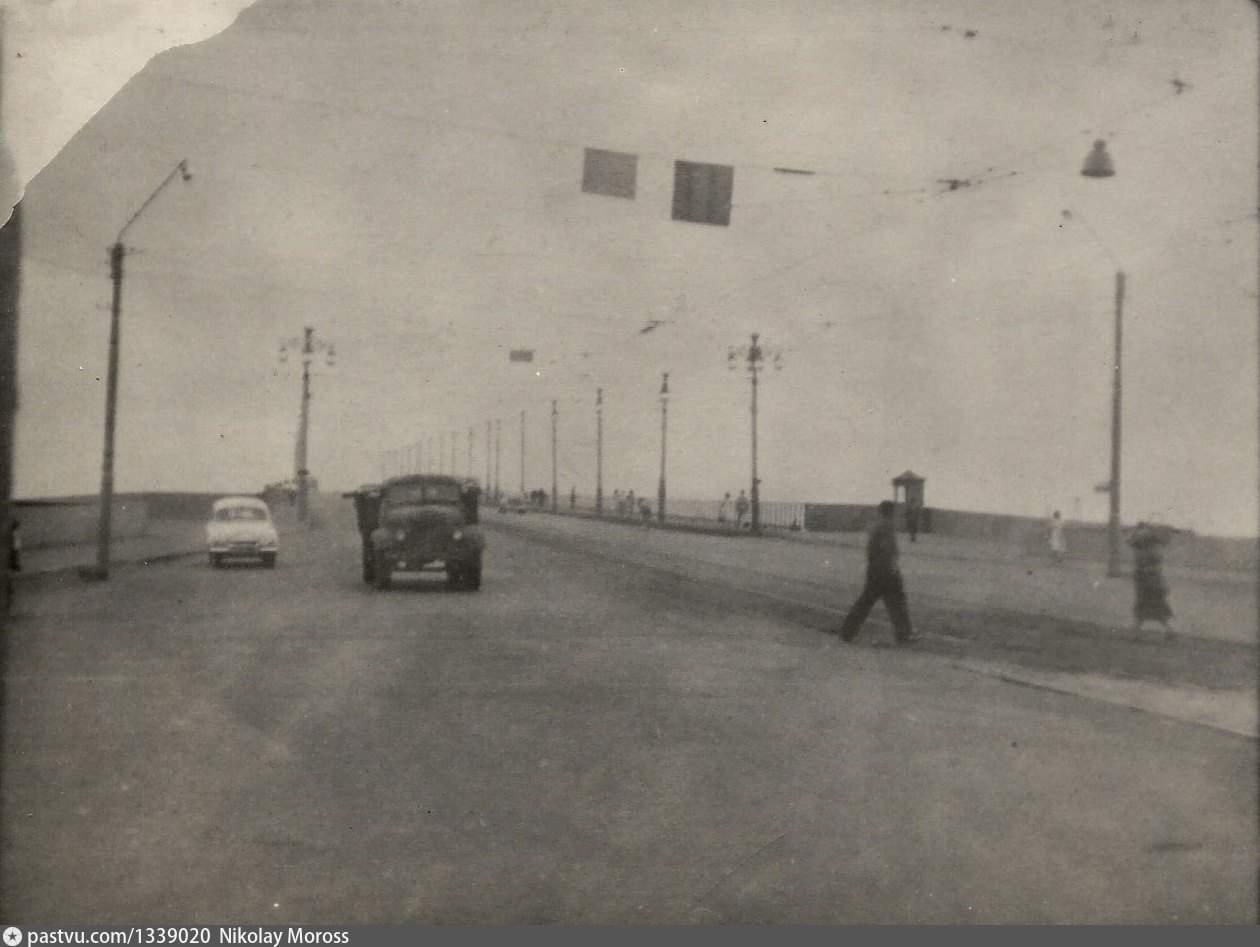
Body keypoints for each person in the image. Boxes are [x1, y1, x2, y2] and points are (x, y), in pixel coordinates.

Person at [835, 500, 916, 643]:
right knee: (895, 602)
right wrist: (893, 568)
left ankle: (847, 632)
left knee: (868, 602)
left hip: (876, 571)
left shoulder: (880, 526)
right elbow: (887, 550)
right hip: (885, 572)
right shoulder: (886, 527)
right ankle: (904, 634)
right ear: (891, 513)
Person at [1128, 521, 1174, 637]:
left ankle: (1137, 632)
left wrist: (1138, 528)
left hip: (1146, 578)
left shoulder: (1142, 549)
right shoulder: (1152, 550)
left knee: (1148, 605)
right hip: (1149, 579)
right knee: (1154, 604)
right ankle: (1168, 630)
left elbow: (1130, 540)